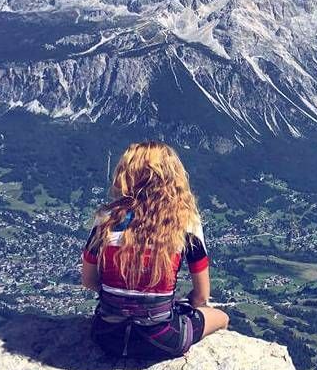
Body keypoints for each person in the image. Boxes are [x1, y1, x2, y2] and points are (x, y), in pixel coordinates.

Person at [80, 141, 228, 358]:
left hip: (107, 336)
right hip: (163, 339)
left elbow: (89, 281)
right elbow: (201, 295)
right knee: (221, 317)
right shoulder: (186, 222)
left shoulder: (106, 220)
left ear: (126, 175)